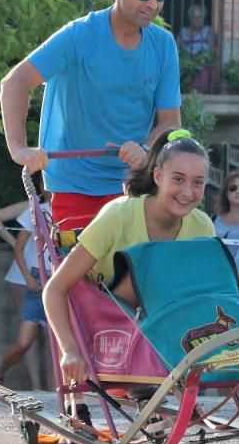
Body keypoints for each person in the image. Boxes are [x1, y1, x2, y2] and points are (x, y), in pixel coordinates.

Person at [0, 0, 182, 229]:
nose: (153, 4)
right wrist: (18, 149)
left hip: (133, 183)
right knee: (81, 273)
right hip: (75, 185)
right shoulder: (79, 35)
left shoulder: (163, 45)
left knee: (131, 272)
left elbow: (170, 123)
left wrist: (146, 147)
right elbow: (15, 82)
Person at [43, 129, 214, 384]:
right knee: (148, 268)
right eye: (178, 179)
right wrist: (69, 350)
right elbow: (55, 289)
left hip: (158, 317)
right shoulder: (119, 214)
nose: (188, 192)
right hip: (101, 314)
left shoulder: (203, 225)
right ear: (157, 175)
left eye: (197, 182)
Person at [0, 180, 52, 388]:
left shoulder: (70, 210)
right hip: (36, 279)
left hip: (59, 279)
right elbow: (18, 249)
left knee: (55, 341)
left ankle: (56, 390)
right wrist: (28, 279)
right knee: (24, 342)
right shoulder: (35, 210)